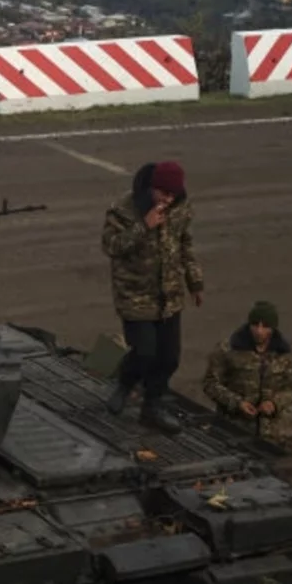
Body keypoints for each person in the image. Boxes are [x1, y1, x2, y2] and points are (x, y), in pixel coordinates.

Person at [101, 159, 204, 433]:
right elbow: (111, 246)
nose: (168, 200)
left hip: (169, 294)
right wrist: (143, 226)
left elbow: (185, 244)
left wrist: (194, 281)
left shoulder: (181, 208)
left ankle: (152, 405)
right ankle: (125, 382)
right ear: (152, 189)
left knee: (169, 357)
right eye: (163, 194)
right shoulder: (124, 209)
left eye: (173, 195)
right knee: (144, 352)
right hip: (135, 295)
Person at [203, 301, 292, 440]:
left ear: (272, 328)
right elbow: (210, 383)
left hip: (270, 435)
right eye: (255, 325)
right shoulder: (228, 349)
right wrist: (237, 403)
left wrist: (274, 403)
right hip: (232, 431)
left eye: (265, 326)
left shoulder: (283, 354)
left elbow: (291, 388)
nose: (259, 331)